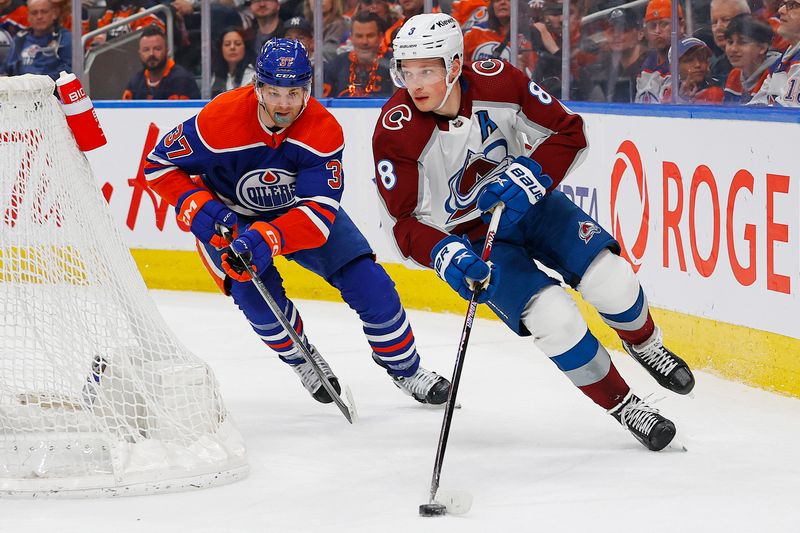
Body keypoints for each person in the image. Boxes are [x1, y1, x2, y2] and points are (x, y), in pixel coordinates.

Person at [372, 13, 696, 452]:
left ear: (454, 65)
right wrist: (447, 257)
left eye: (427, 69)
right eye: (406, 72)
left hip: (533, 205)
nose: (415, 83)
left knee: (613, 281)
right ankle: (625, 405)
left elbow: (570, 131)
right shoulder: (395, 130)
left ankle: (646, 345)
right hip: (473, 240)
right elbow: (405, 221)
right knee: (554, 321)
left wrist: (533, 173)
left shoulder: (499, 82)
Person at [144, 39, 450, 407]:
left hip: (297, 215)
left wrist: (268, 236)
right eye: (273, 92)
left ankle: (406, 369)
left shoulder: (322, 130)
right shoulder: (217, 120)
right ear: (257, 87)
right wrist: (198, 207)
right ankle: (302, 360)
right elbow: (158, 166)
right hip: (229, 218)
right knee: (256, 298)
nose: (284, 105)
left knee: (372, 285)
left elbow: (319, 216)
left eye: (294, 93)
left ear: (307, 89)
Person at [577, 7, 647, 102]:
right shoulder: (602, 65)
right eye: (611, 30)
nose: (616, 35)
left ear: (640, 33)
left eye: (623, 30)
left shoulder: (651, 64)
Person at [323, 11, 393, 97]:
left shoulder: (393, 65)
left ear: (380, 37)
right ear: (351, 37)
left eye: (370, 36)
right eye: (359, 36)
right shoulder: (337, 65)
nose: (364, 42)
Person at [122, 24, 200, 100]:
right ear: (140, 53)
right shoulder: (135, 82)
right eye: (146, 50)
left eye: (157, 49)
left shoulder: (182, 80)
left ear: (167, 50)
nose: (151, 54)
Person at [748, 0, 800, 106]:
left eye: (792, 5)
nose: (780, 10)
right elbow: (756, 106)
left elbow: (787, 115)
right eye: (783, 5)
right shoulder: (780, 62)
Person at [1, 0, 70, 79]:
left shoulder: (64, 39)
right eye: (34, 13)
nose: (39, 17)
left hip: (51, 87)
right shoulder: (20, 39)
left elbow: (69, 73)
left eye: (44, 12)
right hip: (20, 87)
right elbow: (6, 71)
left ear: (54, 14)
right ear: (28, 17)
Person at [722, 13, 779, 103]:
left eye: (742, 42)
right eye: (730, 42)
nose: (733, 49)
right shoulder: (734, 75)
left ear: (762, 48)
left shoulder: (775, 74)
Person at [635, 0, 684, 102]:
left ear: (682, 26)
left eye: (664, 24)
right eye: (652, 26)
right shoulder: (645, 63)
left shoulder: (690, 59)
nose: (657, 31)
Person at [662, 37, 724, 103]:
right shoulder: (671, 91)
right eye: (689, 60)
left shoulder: (715, 90)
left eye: (702, 59)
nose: (698, 65)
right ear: (674, 67)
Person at [706, 0, 751, 85]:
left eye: (726, 20)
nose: (718, 27)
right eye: (714, 22)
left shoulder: (764, 64)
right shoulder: (717, 66)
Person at [211, 26, 256, 97]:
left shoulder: (253, 75)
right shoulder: (216, 75)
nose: (232, 47)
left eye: (237, 44)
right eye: (227, 44)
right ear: (221, 49)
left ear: (245, 47)